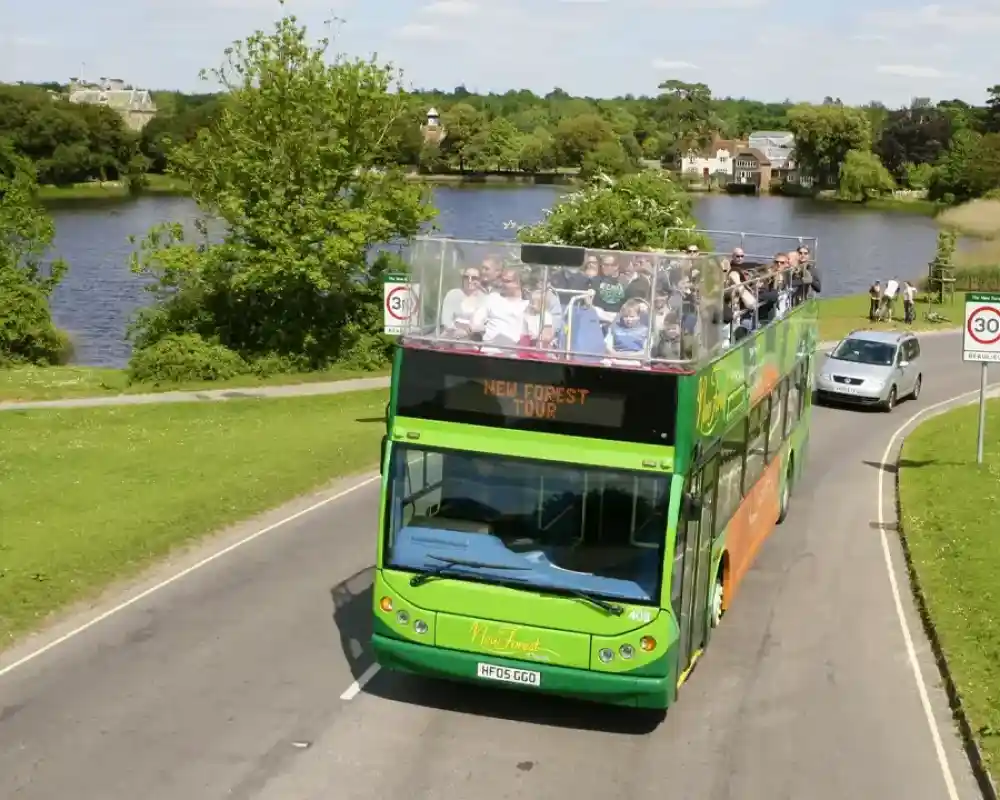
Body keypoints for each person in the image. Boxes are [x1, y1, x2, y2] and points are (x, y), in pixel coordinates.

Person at [470, 268, 530, 346]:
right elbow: (476, 321)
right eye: (502, 280)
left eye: (507, 281)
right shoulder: (492, 298)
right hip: (489, 349)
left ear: (519, 283)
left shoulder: (528, 305)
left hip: (515, 352)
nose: (502, 284)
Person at [439, 265, 486, 335]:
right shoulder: (453, 294)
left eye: (474, 278)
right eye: (466, 277)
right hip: (452, 336)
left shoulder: (484, 298)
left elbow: (484, 324)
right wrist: (458, 326)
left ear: (480, 280)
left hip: (476, 338)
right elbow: (446, 321)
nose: (469, 280)